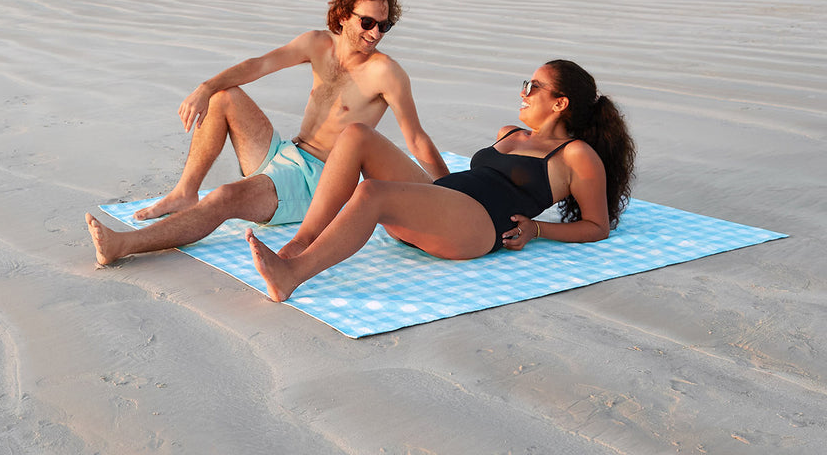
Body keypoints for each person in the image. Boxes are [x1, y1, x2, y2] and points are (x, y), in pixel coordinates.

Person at [85, 0, 449, 265]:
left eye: (384, 26)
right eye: (368, 22)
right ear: (343, 16)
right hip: (284, 153)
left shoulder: (386, 73)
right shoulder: (317, 44)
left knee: (226, 196)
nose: (375, 34)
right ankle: (185, 192)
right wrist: (206, 86)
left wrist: (454, 191)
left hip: (317, 180)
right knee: (224, 96)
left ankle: (122, 245)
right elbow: (259, 65)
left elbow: (416, 138)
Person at [246, 59, 637, 302]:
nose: (523, 92)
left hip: (478, 227)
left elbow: (597, 226)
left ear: (560, 103)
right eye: (525, 83)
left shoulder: (576, 155)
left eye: (532, 87)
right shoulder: (510, 132)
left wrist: (537, 230)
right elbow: (474, 176)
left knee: (371, 193)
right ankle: (300, 242)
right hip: (447, 202)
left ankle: (291, 276)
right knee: (356, 135)